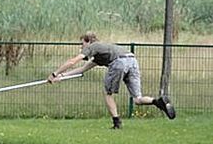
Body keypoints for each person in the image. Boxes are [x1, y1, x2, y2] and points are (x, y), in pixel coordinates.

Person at [48, 31, 176, 129]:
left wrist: (54, 73)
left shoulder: (93, 46)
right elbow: (82, 69)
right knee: (137, 99)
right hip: (132, 60)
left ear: (87, 41)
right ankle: (159, 102)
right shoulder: (102, 51)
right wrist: (62, 77)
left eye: (82, 44)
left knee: (108, 94)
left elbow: (73, 61)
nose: (81, 47)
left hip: (119, 62)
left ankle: (117, 122)